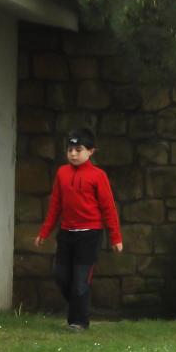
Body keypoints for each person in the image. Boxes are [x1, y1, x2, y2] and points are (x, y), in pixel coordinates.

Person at [35, 128, 123, 331]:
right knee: (61, 276)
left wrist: (115, 237)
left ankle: (78, 322)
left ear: (90, 151)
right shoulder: (62, 173)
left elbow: (108, 208)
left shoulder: (98, 176)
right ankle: (79, 309)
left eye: (78, 149)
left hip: (90, 235)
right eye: (70, 150)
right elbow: (55, 205)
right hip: (66, 233)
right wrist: (44, 232)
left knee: (81, 280)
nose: (73, 154)